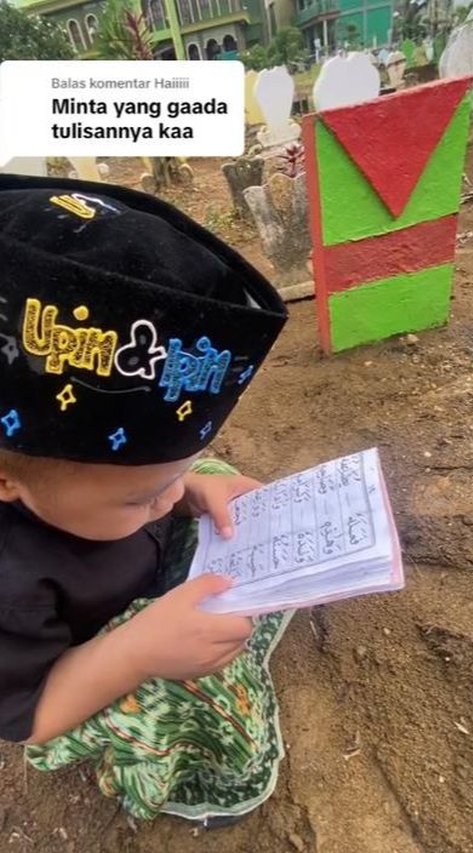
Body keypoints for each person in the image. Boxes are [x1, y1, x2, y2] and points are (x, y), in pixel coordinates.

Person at [0, 173, 291, 825]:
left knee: (217, 484)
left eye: (168, 478)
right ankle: (196, 782)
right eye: (140, 498)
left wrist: (194, 484)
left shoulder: (95, 482)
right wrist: (138, 648)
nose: (166, 501)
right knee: (196, 679)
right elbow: (33, 717)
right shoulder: (9, 585)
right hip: (81, 675)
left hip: (140, 597)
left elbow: (164, 485)